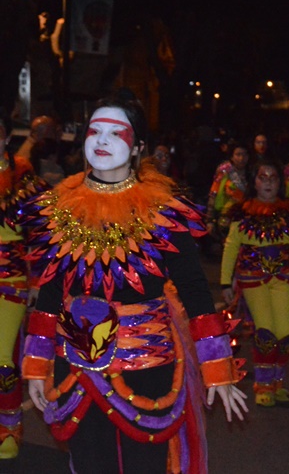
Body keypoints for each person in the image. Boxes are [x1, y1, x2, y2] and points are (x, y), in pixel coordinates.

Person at [21, 90, 247, 473]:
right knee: (90, 464)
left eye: (116, 133)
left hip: (147, 368)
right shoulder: (59, 208)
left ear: (139, 146)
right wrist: (34, 366)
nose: (102, 141)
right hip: (75, 369)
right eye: (95, 131)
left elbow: (194, 291)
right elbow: (49, 292)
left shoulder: (164, 213)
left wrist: (217, 370)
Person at [220, 160, 289, 407]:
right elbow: (231, 247)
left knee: (284, 335)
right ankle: (262, 386)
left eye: (273, 177)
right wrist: (224, 281)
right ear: (255, 182)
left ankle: (278, 384)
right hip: (252, 280)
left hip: (282, 279)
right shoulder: (243, 213)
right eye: (263, 177)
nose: (269, 182)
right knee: (265, 333)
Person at [0, 122, 46, 460]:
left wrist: (37, 282)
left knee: (2, 358)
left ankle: (8, 429)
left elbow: (41, 235)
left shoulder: (23, 179)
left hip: (10, 280)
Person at [207, 141, 250, 240]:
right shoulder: (224, 172)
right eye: (238, 155)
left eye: (244, 155)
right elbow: (213, 195)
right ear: (232, 156)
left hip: (247, 220)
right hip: (226, 220)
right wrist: (209, 220)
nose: (241, 158)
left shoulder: (253, 173)